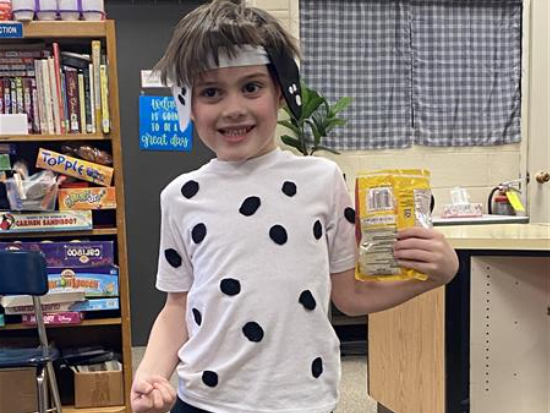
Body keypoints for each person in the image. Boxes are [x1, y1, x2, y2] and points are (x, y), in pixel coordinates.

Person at [131, 1, 459, 413]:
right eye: (211, 92)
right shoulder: (180, 196)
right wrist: (152, 373)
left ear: (282, 93)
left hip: (300, 400)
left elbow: (350, 295)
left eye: (251, 87)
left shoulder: (322, 180)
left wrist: (433, 279)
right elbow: (177, 306)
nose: (233, 108)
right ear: (188, 104)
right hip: (204, 401)